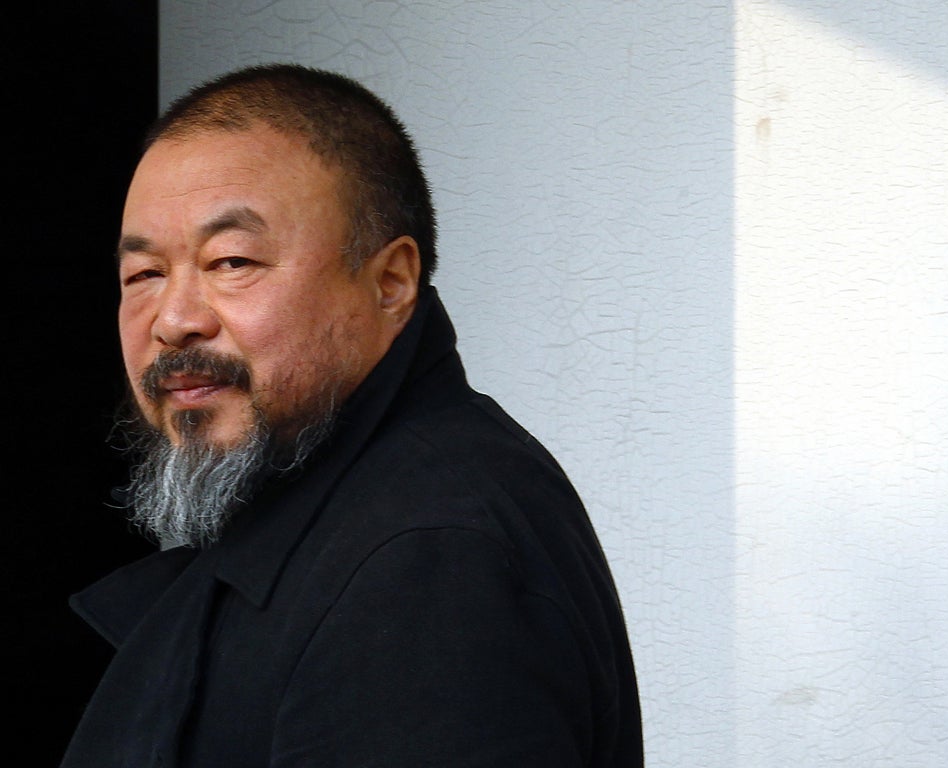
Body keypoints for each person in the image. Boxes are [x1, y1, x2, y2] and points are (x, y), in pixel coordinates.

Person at [61, 63, 643, 767]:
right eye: (144, 275)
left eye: (232, 260)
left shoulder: (428, 559)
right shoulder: (313, 503)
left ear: (390, 281)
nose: (175, 321)